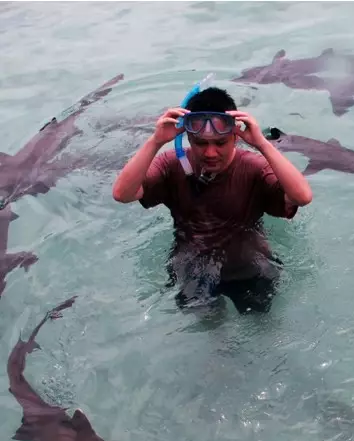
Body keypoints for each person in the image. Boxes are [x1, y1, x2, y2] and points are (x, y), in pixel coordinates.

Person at [112, 86, 312, 314]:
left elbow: (302, 197)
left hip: (249, 266)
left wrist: (262, 144)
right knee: (212, 335)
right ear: (187, 137)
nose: (210, 153)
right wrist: (155, 141)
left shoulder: (254, 167)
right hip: (192, 269)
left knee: (261, 327)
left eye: (220, 143)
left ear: (235, 137)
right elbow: (123, 194)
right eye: (200, 143)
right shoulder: (172, 165)